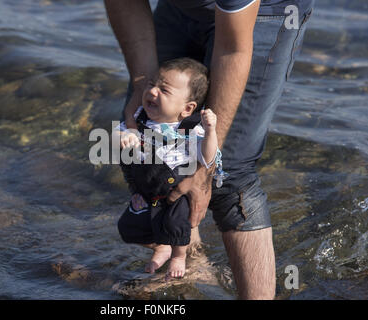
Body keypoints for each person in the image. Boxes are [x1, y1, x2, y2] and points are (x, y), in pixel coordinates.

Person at [104, 0, 314, 299]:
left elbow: (234, 48)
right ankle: (192, 264)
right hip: (180, 7)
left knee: (228, 171)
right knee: (147, 135)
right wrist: (143, 88)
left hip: (265, 13)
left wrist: (206, 167)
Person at [114, 58, 224, 280]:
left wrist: (211, 132)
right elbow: (116, 134)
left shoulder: (191, 130)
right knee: (128, 228)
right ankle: (161, 246)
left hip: (176, 188)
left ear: (187, 108)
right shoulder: (139, 118)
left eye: (163, 89)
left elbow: (208, 158)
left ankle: (178, 255)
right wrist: (123, 136)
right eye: (151, 84)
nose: (152, 91)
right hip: (146, 188)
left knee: (176, 223)